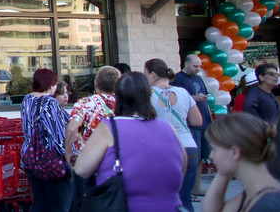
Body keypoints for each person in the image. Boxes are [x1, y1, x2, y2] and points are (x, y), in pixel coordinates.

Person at [74, 72, 185, 211]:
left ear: (118, 96)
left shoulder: (109, 127)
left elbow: (81, 169)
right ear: (148, 95)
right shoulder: (169, 128)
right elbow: (182, 167)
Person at [202, 113, 280, 212]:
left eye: (214, 149)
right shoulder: (255, 193)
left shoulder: (269, 206)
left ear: (234, 152)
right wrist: (223, 170)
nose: (211, 156)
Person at [146, 58, 202, 211]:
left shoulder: (146, 95)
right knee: (184, 199)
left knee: (163, 199)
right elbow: (197, 121)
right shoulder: (183, 92)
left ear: (152, 74)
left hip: (161, 148)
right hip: (188, 146)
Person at [64, 65, 119, 211]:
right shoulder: (123, 105)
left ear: (96, 83)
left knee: (83, 204)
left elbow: (72, 127)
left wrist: (68, 152)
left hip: (85, 161)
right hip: (114, 163)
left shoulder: (85, 103)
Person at [19, 68, 72, 212]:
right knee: (60, 203)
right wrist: (68, 155)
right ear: (50, 84)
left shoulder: (27, 99)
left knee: (40, 202)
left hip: (30, 157)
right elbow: (58, 134)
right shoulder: (49, 102)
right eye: (55, 83)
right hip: (50, 159)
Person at [172, 54, 213, 198]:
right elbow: (176, 101)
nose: (198, 69)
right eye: (195, 66)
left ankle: (197, 187)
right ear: (186, 64)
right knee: (190, 159)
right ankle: (186, 191)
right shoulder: (178, 79)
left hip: (203, 122)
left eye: (199, 66)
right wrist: (195, 98)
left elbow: (205, 98)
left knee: (201, 157)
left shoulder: (199, 78)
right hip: (190, 124)